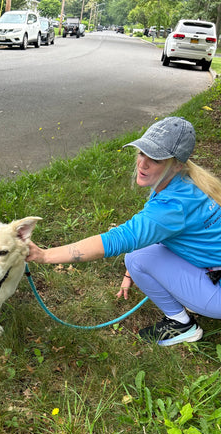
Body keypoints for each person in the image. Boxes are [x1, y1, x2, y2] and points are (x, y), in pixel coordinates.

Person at [26, 116, 221, 346]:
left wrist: (44, 255)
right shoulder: (188, 180)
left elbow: (116, 241)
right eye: (142, 153)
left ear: (176, 164)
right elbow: (156, 234)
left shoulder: (171, 207)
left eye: (155, 159)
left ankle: (182, 325)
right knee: (140, 255)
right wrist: (131, 273)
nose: (142, 164)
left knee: (136, 257)